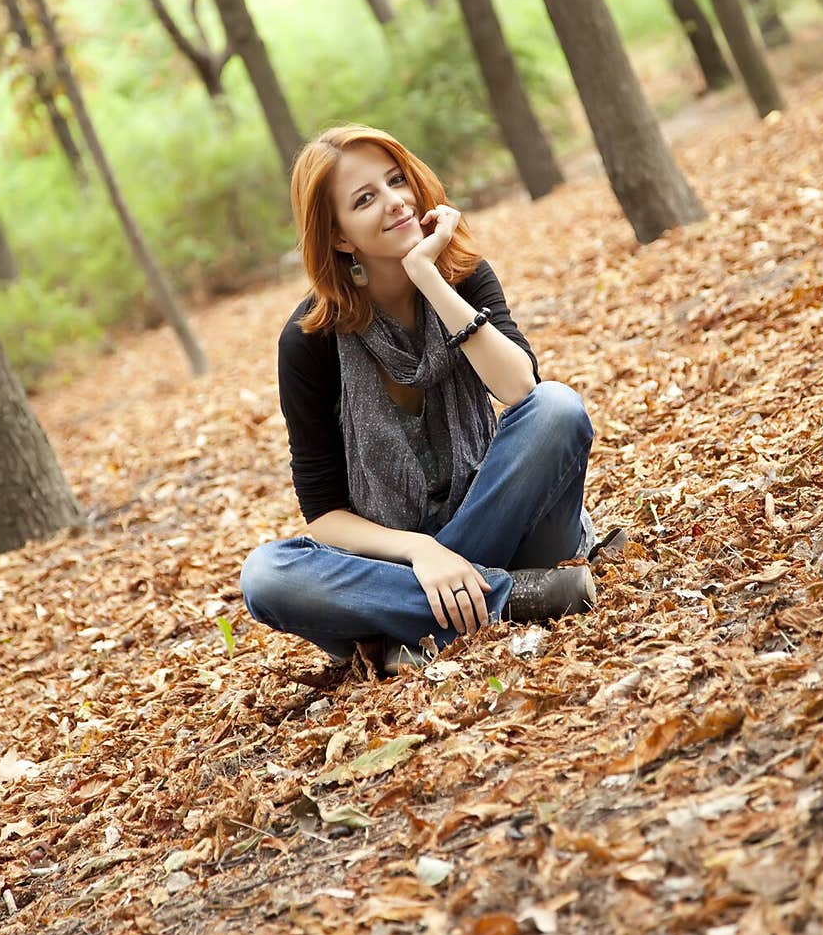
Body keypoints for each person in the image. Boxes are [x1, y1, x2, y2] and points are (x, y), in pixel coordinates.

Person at [240, 124, 600, 675]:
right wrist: (421, 552)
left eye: (394, 181)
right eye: (365, 199)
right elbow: (324, 513)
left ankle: (404, 636)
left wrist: (429, 278)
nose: (395, 203)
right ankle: (514, 598)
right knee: (265, 575)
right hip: (402, 562)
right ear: (340, 237)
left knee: (557, 408)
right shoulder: (309, 342)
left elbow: (520, 389)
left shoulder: (462, 277)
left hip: (510, 527)